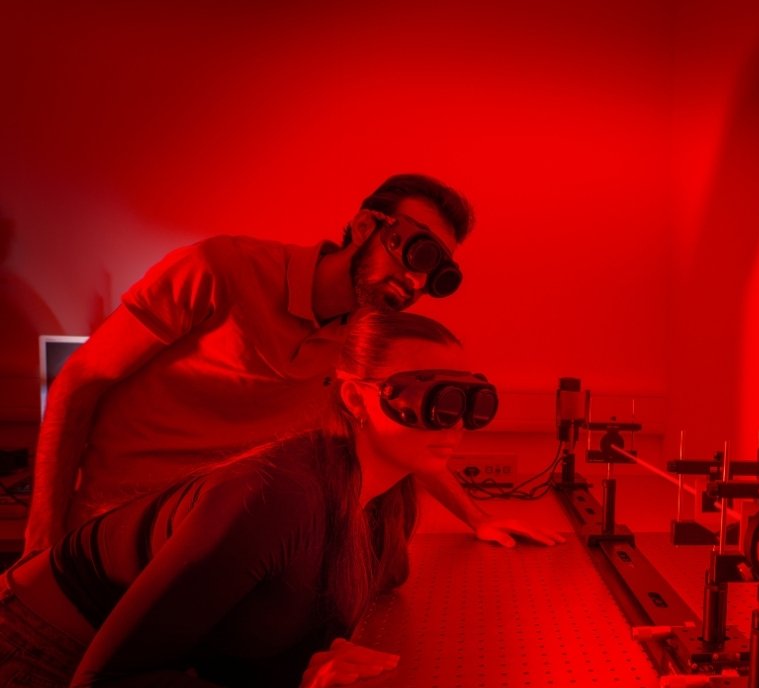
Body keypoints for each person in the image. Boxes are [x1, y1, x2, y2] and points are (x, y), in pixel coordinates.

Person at [0, 310, 523, 688]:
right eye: (426, 398)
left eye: (466, 401)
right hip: (36, 667)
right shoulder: (274, 496)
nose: (450, 421)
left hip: (146, 662)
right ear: (356, 399)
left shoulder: (379, 496)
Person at [23, 174, 551, 554]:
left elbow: (408, 436)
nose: (415, 282)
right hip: (114, 534)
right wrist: (41, 540)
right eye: (416, 255)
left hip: (210, 548)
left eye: (435, 277)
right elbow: (78, 382)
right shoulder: (219, 269)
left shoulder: (356, 344)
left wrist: (476, 518)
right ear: (367, 225)